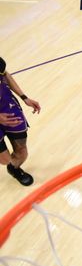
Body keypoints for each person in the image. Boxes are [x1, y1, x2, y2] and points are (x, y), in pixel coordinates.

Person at [0, 57, 41, 186]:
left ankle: (15, 169)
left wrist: (24, 97)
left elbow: (5, 74)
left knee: (22, 151)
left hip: (8, 108)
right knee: (5, 159)